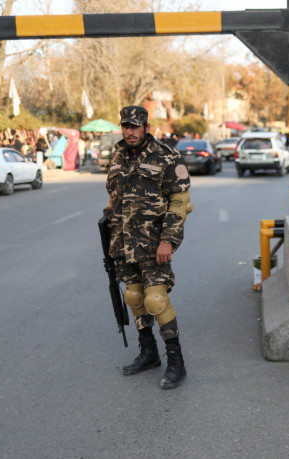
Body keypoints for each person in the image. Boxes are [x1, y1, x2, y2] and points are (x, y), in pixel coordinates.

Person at [104, 106, 192, 389]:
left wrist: (168, 240)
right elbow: (112, 199)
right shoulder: (117, 156)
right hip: (123, 243)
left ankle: (176, 361)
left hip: (154, 244)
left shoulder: (167, 156)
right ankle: (148, 352)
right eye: (125, 126)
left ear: (146, 127)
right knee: (134, 296)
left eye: (135, 126)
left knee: (156, 300)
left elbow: (179, 203)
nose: (129, 131)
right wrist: (110, 239)